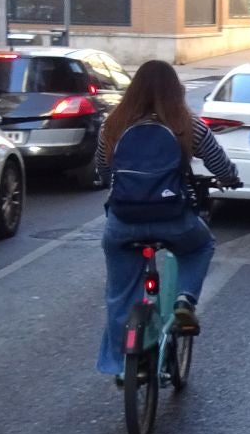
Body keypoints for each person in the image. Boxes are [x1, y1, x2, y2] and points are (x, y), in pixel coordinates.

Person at [93, 60, 242, 378]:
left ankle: (123, 366)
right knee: (200, 247)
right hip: (172, 218)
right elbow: (219, 163)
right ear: (176, 90)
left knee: (120, 294)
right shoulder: (185, 123)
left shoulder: (114, 123)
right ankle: (185, 301)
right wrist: (230, 178)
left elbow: (103, 170)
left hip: (123, 221)